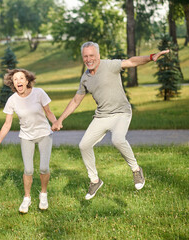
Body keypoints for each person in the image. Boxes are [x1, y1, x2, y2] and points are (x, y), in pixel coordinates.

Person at [52, 41, 169, 200]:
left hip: (121, 113)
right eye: (85, 56)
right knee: (84, 145)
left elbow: (132, 61)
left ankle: (136, 170)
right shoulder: (85, 78)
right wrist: (60, 119)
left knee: (117, 139)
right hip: (102, 116)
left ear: (98, 55)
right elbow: (75, 101)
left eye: (92, 55)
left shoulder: (110, 65)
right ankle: (95, 180)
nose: (89, 59)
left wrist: (150, 57)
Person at [0, 69, 57, 213]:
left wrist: (56, 122)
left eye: (21, 78)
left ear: (27, 81)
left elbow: (49, 112)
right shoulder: (12, 100)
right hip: (26, 136)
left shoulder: (39, 93)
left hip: (44, 133)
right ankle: (27, 198)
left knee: (44, 168)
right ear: (13, 83)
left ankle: (43, 194)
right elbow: (7, 124)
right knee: (28, 169)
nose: (18, 81)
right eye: (15, 79)